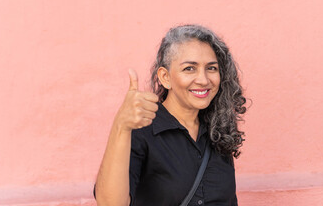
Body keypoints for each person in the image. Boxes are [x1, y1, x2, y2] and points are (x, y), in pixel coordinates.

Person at [94, 24, 247, 206]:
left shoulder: (217, 131)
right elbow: (110, 203)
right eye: (189, 68)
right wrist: (121, 126)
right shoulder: (142, 130)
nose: (203, 80)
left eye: (211, 68)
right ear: (165, 77)